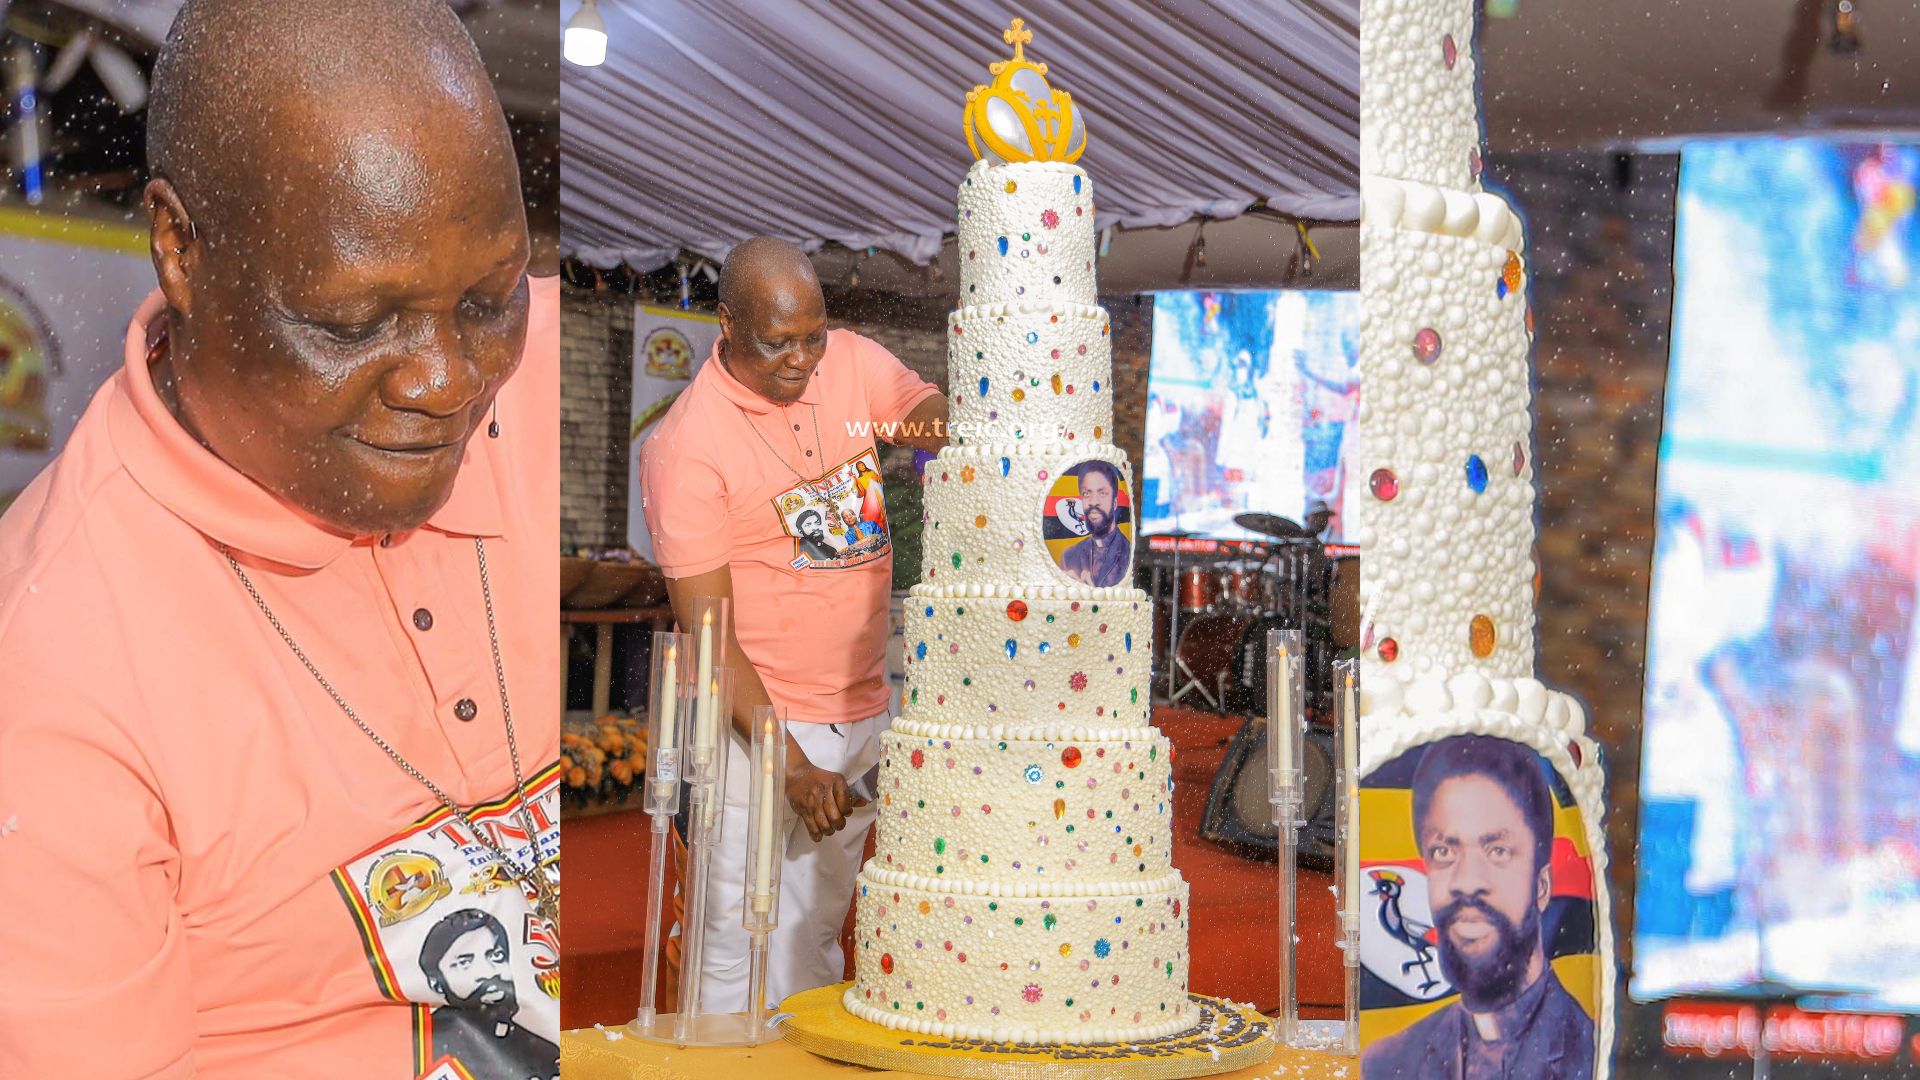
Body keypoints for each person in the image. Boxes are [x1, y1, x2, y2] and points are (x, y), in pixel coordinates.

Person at [0, 2, 560, 1077]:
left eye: (488, 301)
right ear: (181, 249)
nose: (448, 382)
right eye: (355, 324)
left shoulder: (531, 387)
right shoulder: (54, 678)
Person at [638, 235, 947, 1013]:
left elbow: (925, 423)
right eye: (778, 342)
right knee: (731, 938)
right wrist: (794, 765)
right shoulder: (688, 445)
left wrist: (982, 431)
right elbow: (711, 639)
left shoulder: (846, 362)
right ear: (727, 324)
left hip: (859, 709)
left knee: (813, 932)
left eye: (813, 335)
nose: (803, 359)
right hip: (752, 730)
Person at [1361, 736, 1595, 1080]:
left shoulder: (1585, 1050)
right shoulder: (1386, 1062)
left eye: (1497, 851)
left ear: (1542, 886)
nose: (1467, 882)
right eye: (1444, 852)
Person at [418, 909, 559, 1075]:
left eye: (496, 955)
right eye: (464, 963)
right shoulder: (421, 1050)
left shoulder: (544, 1049)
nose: (489, 972)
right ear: (436, 984)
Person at [1060, 459, 1130, 587]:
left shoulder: (1128, 552)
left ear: (1114, 503)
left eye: (1102, 493)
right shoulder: (1069, 556)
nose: (1093, 502)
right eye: (1087, 493)